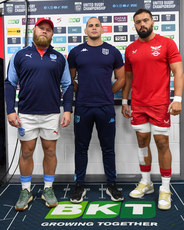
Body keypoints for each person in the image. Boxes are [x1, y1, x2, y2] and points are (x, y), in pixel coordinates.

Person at [5, 17, 73, 211]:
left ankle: (48, 189)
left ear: (52, 34)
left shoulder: (59, 58)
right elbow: (9, 83)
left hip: (51, 114)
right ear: (34, 31)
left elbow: (67, 86)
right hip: (26, 114)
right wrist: (10, 110)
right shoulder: (20, 55)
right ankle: (25, 190)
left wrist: (67, 109)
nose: (44, 31)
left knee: (50, 151)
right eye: (41, 29)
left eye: (48, 30)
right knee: (27, 152)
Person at [122, 9, 183, 210]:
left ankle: (165, 188)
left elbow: (178, 71)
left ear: (152, 21)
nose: (142, 24)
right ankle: (146, 182)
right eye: (138, 22)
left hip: (160, 104)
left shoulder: (167, 43)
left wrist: (177, 99)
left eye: (145, 20)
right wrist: (124, 101)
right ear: (134, 25)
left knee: (162, 142)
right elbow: (128, 79)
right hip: (138, 104)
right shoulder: (130, 49)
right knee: (142, 142)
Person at [68, 17, 125, 203]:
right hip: (83, 107)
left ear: (102, 29)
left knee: (108, 148)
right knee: (81, 148)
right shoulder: (76, 52)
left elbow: (121, 79)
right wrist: (82, 91)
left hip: (105, 107)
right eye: (90, 25)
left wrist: (107, 93)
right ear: (86, 30)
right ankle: (79, 186)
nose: (94, 28)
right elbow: (70, 80)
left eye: (97, 25)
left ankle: (112, 184)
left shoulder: (113, 52)